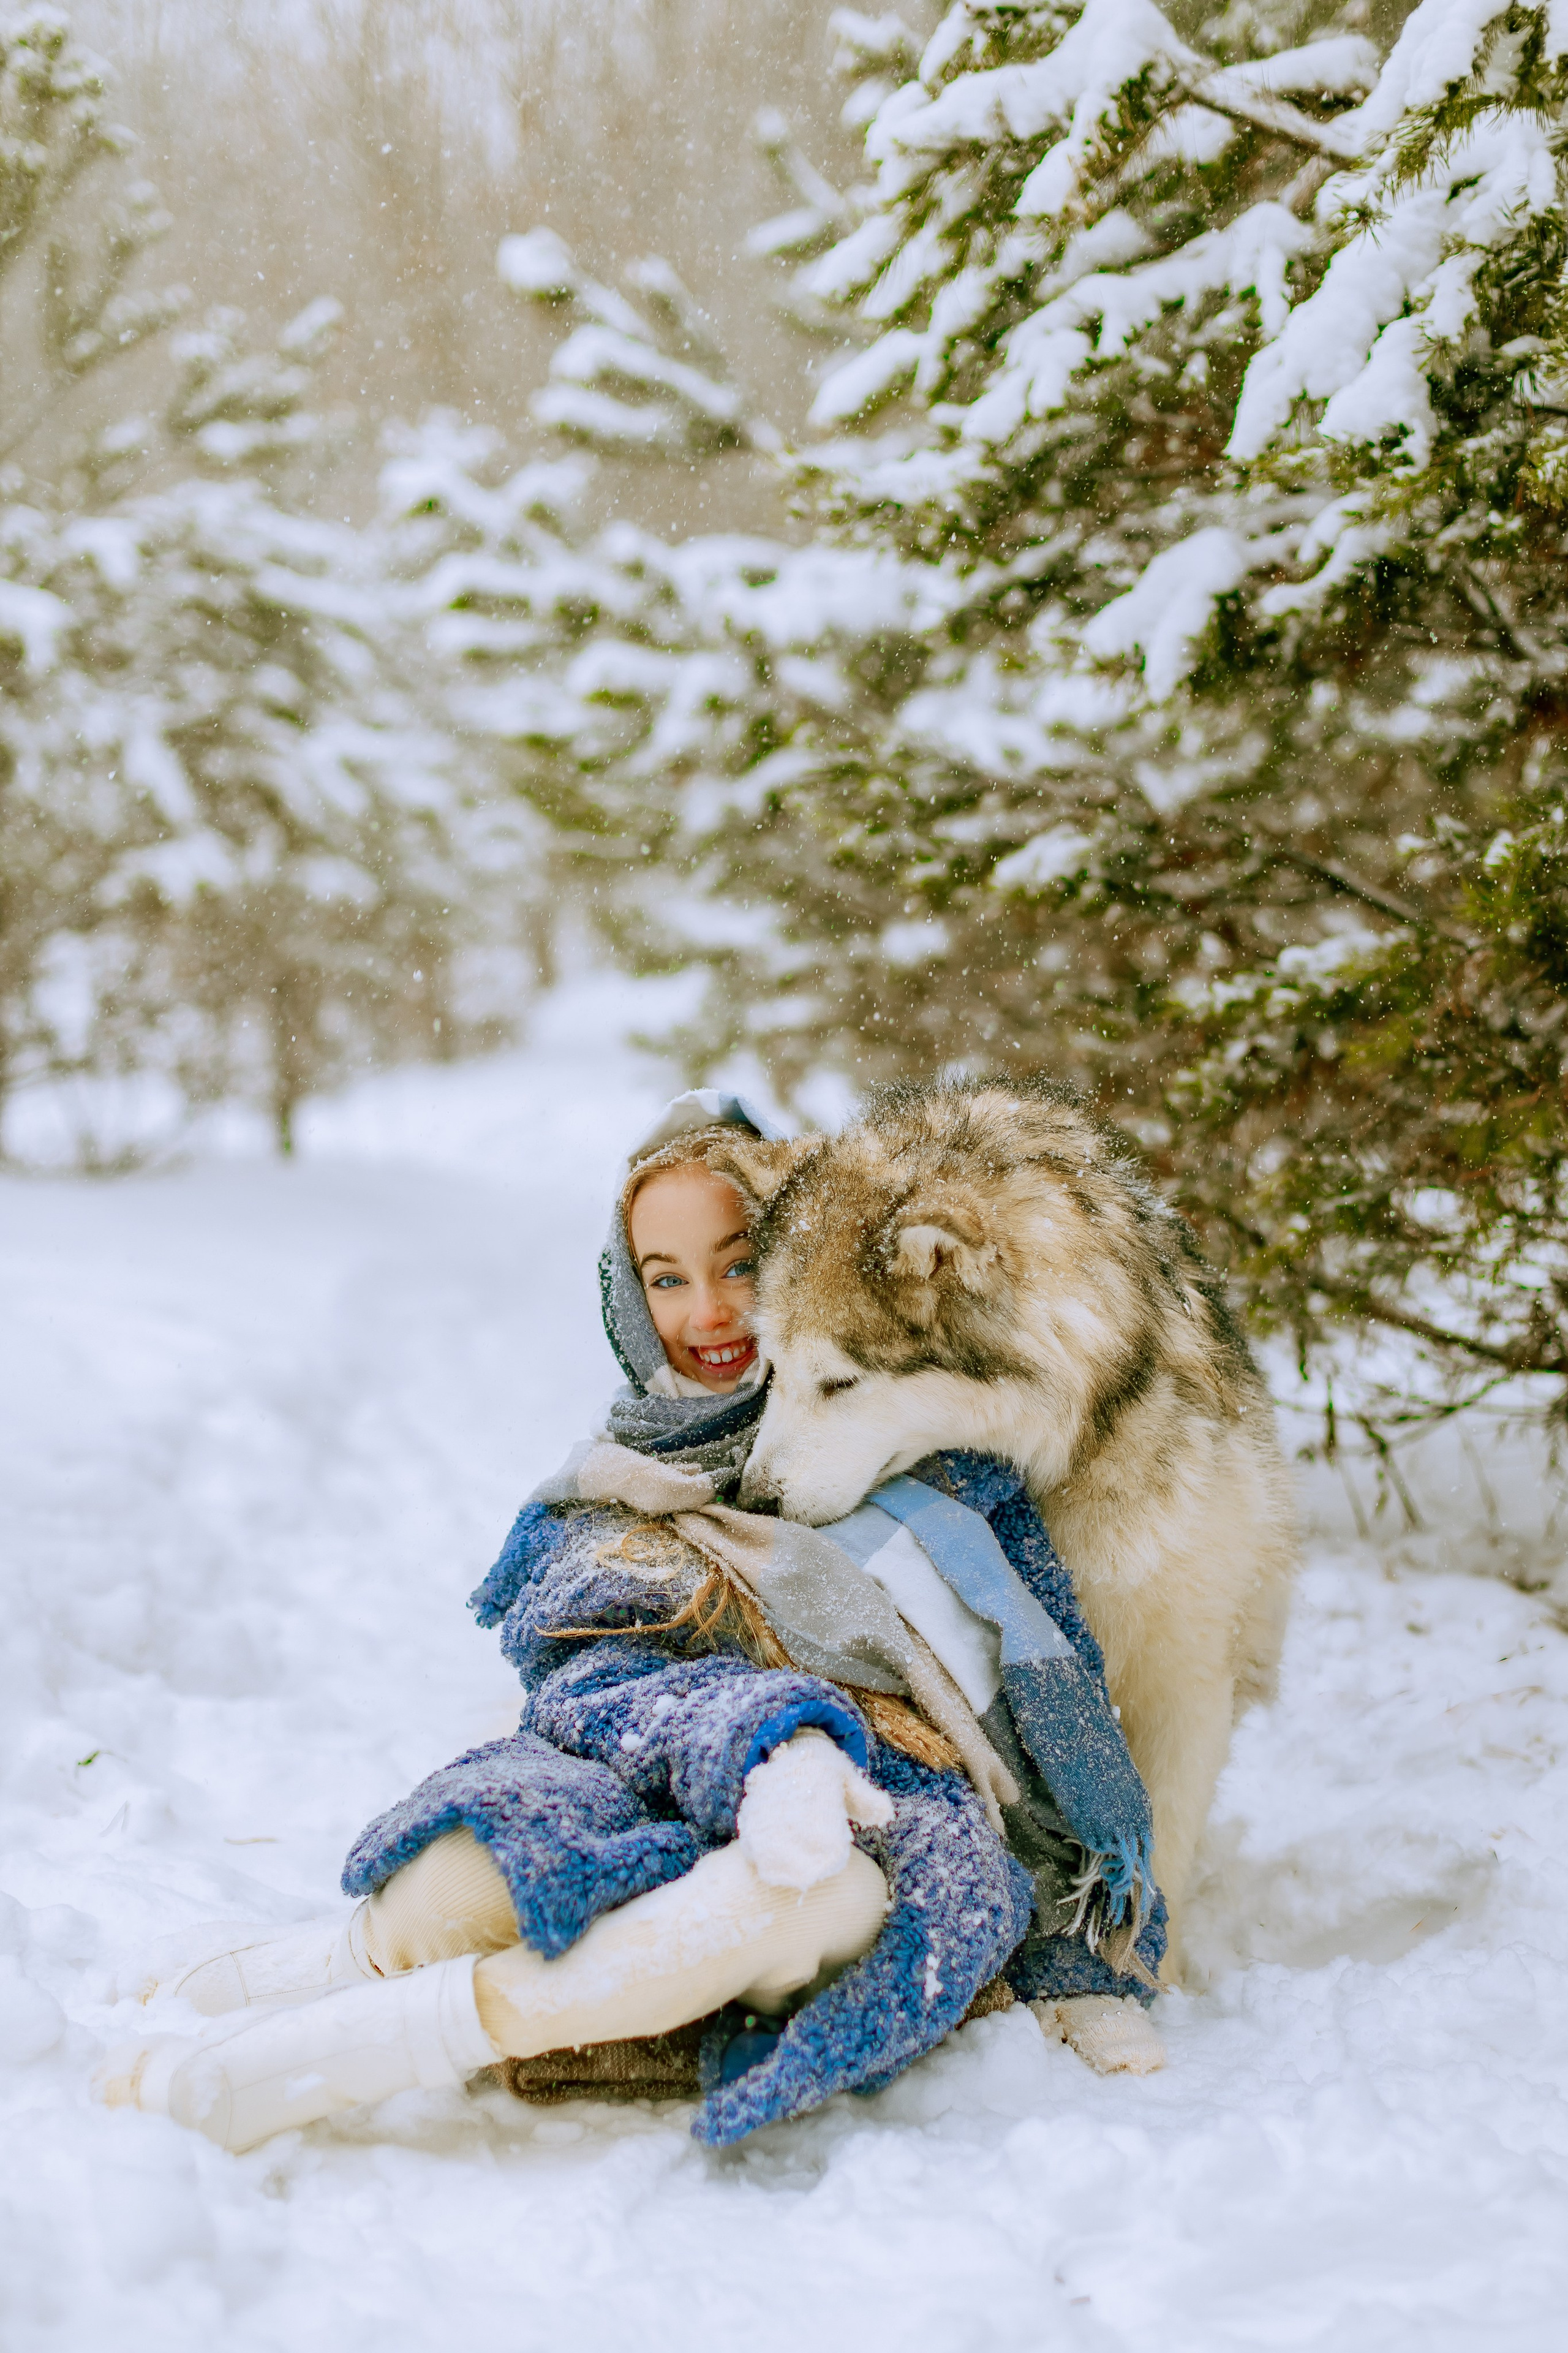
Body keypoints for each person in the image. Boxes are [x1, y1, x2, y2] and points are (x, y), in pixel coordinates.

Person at [98, 1093, 1166, 2154]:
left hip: (869, 1828)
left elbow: (1050, 1693)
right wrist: (773, 1740)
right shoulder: (616, 1491)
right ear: (628, 1290)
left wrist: (1082, 1959)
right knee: (462, 1884)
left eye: (739, 1264)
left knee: (802, 1892)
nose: (710, 1312)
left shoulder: (932, 1450)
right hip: (652, 1785)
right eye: (666, 1276)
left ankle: (340, 2054)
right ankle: (336, 1963)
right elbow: (593, 1689)